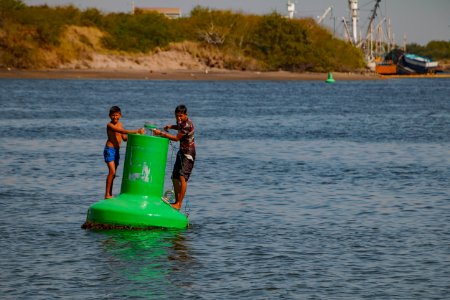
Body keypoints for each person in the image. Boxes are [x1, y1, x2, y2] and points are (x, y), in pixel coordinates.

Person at [153, 105, 195, 210]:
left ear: (186, 115)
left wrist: (161, 133)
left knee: (182, 177)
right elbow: (179, 127)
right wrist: (171, 126)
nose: (178, 118)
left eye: (180, 116)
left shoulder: (187, 125)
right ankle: (176, 202)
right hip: (181, 152)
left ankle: (179, 204)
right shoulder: (181, 123)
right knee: (175, 177)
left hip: (188, 154)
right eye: (176, 116)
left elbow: (176, 138)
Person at [104, 106, 144, 199]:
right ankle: (107, 194)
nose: (115, 117)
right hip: (109, 150)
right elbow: (120, 131)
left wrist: (137, 136)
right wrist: (136, 131)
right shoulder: (109, 125)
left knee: (114, 174)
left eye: (117, 115)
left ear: (120, 115)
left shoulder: (120, 124)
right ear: (109, 116)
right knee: (112, 172)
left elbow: (125, 138)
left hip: (117, 151)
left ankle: (110, 193)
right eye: (113, 115)